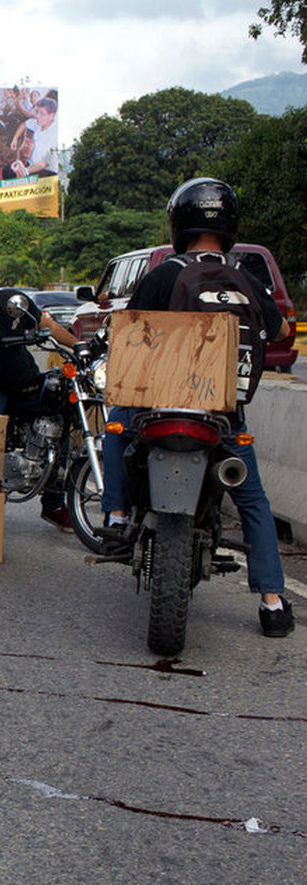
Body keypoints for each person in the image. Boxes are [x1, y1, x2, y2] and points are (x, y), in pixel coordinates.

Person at [100, 177, 293, 639]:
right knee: (253, 501)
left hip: (162, 407)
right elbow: (283, 331)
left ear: (178, 223)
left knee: (114, 427)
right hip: (221, 416)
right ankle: (272, 601)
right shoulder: (246, 277)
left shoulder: (163, 274)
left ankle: (117, 515)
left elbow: (129, 333)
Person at [0, 257, 78, 529]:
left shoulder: (15, 304)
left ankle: (54, 503)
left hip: (26, 380)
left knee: (60, 416)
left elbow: (47, 327)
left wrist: (79, 347)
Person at [7, 96, 57, 179]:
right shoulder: (38, 123)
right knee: (8, 170)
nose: (37, 116)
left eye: (42, 113)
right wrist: (15, 138)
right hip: (29, 164)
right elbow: (24, 124)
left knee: (10, 175)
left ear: (51, 115)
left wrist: (24, 171)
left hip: (45, 172)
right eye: (37, 112)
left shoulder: (53, 135)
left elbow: (43, 164)